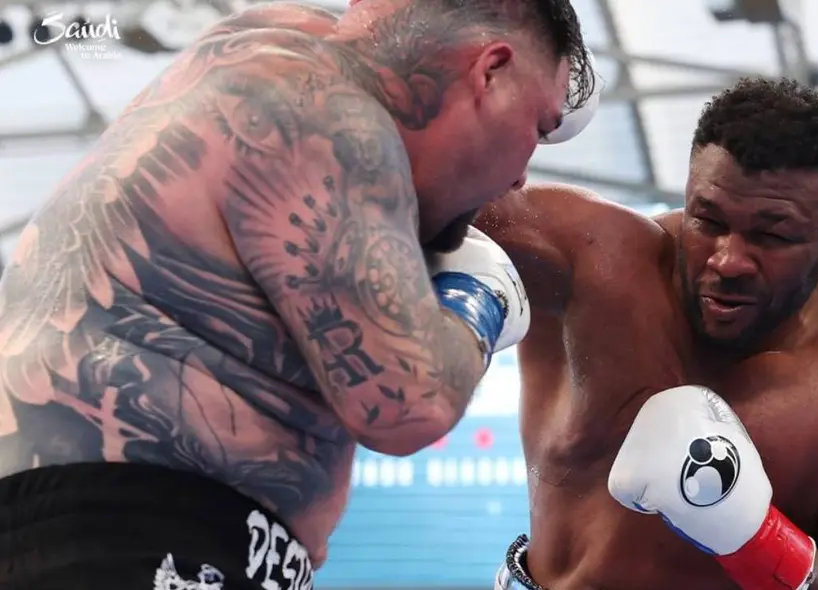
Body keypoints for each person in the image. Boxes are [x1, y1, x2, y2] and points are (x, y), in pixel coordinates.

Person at [0, 1, 596, 589]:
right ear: (489, 70)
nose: (522, 174)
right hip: (121, 537)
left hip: (143, 535)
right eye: (539, 127)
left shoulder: (275, 53)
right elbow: (409, 405)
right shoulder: (322, 108)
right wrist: (476, 297)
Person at [481, 77, 818, 590]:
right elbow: (405, 203)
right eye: (707, 219)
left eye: (771, 235)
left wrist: (761, 541)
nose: (728, 260)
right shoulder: (592, 260)